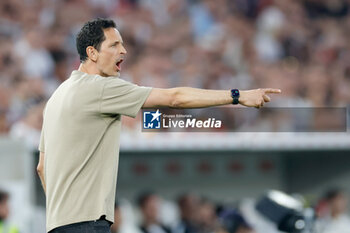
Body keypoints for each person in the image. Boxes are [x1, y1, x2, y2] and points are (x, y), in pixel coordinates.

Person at [36, 18, 281, 233]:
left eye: (122, 43)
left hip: (59, 223)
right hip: (87, 223)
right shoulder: (99, 87)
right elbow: (175, 98)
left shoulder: (57, 97)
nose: (123, 51)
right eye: (114, 45)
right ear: (92, 53)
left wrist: (65, 212)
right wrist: (237, 96)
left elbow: (42, 167)